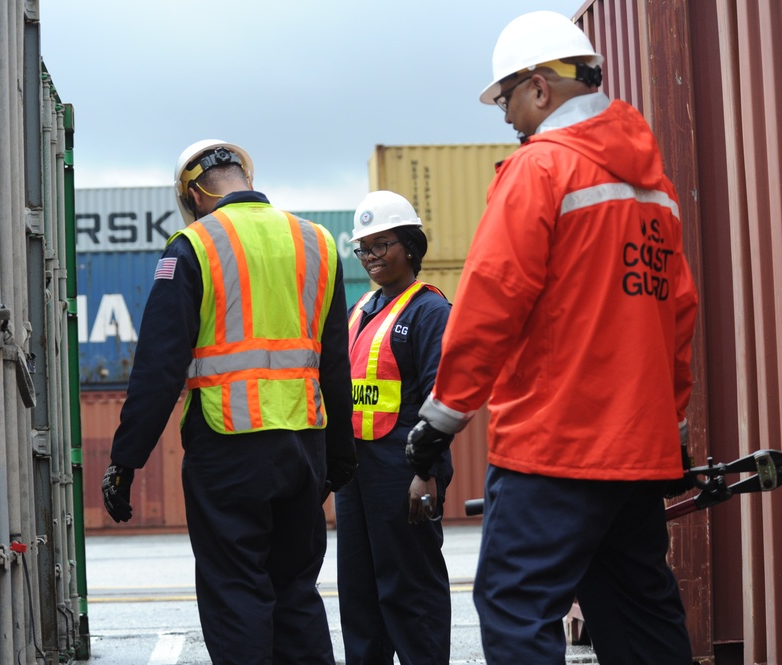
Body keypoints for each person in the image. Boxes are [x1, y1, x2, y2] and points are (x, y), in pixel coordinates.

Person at [404, 11, 699, 665]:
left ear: (540, 87)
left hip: (555, 448)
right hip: (638, 454)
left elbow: (489, 304)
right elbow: (677, 317)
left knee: (515, 607)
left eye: (506, 97)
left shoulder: (540, 171)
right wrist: (670, 430)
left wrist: (440, 418)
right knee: (641, 615)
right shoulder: (657, 192)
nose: (507, 116)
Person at [100, 139, 357, 665]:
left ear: (193, 193)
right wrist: (341, 456)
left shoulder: (192, 246)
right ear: (245, 175)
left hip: (229, 448)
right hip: (304, 445)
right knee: (296, 591)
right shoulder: (318, 242)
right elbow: (335, 362)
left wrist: (125, 461)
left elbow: (157, 367)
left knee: (236, 590)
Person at [337, 190, 453, 665]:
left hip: (403, 472)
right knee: (360, 596)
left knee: (411, 593)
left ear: (410, 245)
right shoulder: (360, 308)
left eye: (382, 244)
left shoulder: (429, 312)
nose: (371, 257)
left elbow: (441, 400)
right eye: (363, 248)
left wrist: (426, 474)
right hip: (356, 474)